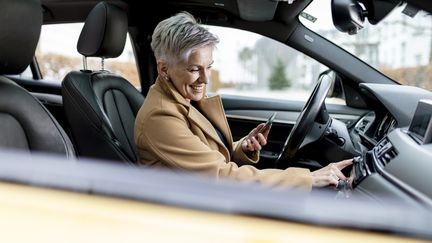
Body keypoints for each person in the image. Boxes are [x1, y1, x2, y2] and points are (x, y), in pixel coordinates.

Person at [134, 11, 352, 191]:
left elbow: (208, 157)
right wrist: (308, 179)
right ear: (164, 69)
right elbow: (220, 175)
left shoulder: (184, 97)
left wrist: (243, 149)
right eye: (194, 69)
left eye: (209, 66)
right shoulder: (160, 116)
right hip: (190, 214)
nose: (206, 78)